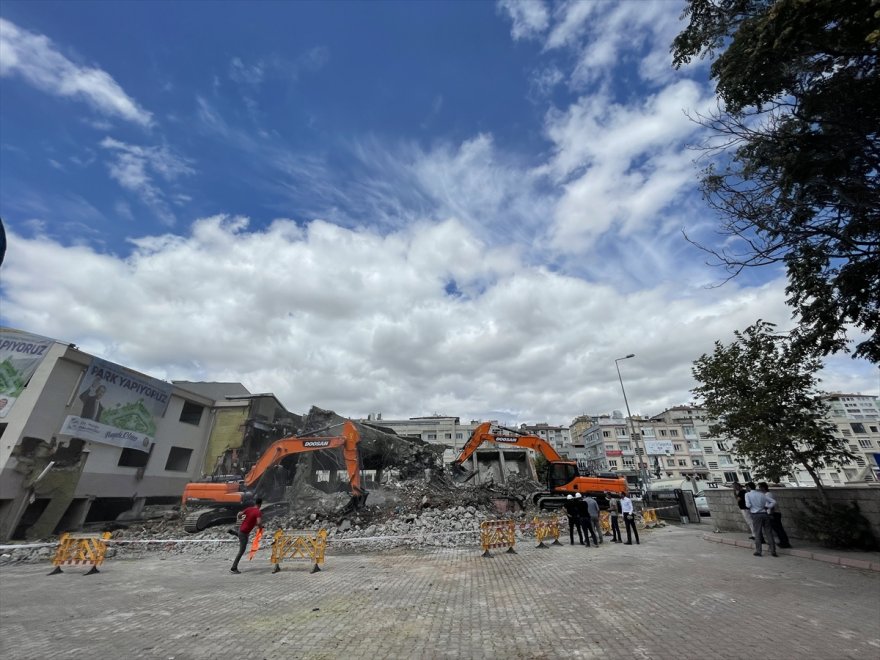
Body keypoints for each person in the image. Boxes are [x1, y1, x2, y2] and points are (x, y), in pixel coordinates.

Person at [229, 497, 264, 573]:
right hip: (244, 532)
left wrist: (240, 519)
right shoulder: (258, 512)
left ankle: (235, 533)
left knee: (242, 537)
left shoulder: (249, 509)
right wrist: (260, 528)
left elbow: (239, 514)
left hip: (242, 530)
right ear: (260, 504)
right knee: (242, 550)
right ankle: (233, 568)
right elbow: (259, 522)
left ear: (255, 503)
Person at [745, 482, 776, 557]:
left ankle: (759, 551)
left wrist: (752, 506)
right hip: (764, 514)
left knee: (758, 533)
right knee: (769, 533)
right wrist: (768, 507)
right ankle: (773, 550)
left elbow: (748, 505)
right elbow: (773, 501)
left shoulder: (748, 494)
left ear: (749, 487)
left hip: (756, 515)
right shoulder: (761, 494)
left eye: (746, 487)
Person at [762, 483, 792, 548]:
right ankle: (783, 542)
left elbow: (772, 505)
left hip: (774, 513)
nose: (759, 489)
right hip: (774, 513)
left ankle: (785, 543)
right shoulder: (768, 494)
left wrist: (771, 514)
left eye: (760, 487)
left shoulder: (768, 495)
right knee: (778, 529)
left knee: (778, 529)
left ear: (763, 488)